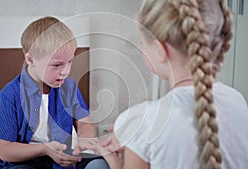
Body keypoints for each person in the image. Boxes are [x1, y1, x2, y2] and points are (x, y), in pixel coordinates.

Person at [97, 0, 248, 169]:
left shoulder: (142, 122)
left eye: (142, 43)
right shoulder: (238, 102)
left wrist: (116, 163)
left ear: (160, 50)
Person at [0, 16, 109, 169]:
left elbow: (84, 123)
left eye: (70, 62)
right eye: (57, 65)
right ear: (30, 60)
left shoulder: (69, 87)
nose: (65, 72)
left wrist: (84, 140)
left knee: (98, 164)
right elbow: (5, 151)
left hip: (61, 159)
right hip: (21, 163)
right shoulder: (9, 96)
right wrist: (45, 149)